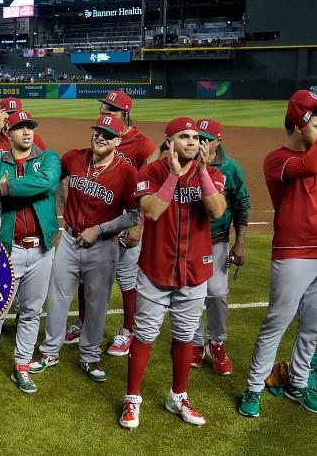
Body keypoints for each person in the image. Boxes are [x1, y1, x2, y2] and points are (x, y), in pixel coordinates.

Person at [119, 117, 226, 430]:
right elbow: (151, 211)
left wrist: (202, 171)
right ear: (169, 142)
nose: (193, 142)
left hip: (194, 271)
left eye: (195, 137)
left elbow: (217, 210)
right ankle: (132, 398)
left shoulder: (213, 173)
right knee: (145, 335)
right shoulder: (152, 171)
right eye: (184, 137)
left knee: (184, 336)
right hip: (157, 269)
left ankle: (178, 395)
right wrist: (174, 178)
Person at [29, 115, 140, 383]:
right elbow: (53, 183)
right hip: (68, 239)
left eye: (108, 135)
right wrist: (56, 220)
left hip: (102, 247)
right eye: (98, 132)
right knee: (57, 298)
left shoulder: (126, 173)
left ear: (117, 141)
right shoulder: (74, 158)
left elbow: (134, 215)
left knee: (97, 303)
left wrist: (100, 229)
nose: (100, 137)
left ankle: (89, 355)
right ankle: (49, 351)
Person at [0, 111, 60, 395]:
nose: (27, 132)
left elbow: (46, 183)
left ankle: (22, 366)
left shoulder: (48, 158)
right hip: (6, 250)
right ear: (9, 133)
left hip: (41, 250)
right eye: (19, 127)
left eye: (30, 126)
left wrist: (2, 189)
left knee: (30, 312)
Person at [239, 90, 317, 417]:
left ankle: (299, 381)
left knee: (313, 324)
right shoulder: (277, 159)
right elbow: (308, 165)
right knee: (277, 322)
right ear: (300, 124)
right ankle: (253, 388)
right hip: (293, 251)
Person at [67, 90, 156, 355]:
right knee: (86, 277)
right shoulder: (102, 136)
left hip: (126, 221)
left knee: (127, 278)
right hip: (97, 223)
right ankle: (82, 323)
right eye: (103, 109)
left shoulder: (143, 145)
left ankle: (128, 330)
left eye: (111, 110)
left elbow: (148, 187)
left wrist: (137, 224)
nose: (104, 114)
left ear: (125, 114)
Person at [191, 118, 249, 375]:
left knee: (216, 293)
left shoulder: (230, 168)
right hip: (189, 239)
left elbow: (241, 204)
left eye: (206, 139)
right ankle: (194, 344)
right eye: (197, 137)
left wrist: (240, 243)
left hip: (217, 239)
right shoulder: (184, 161)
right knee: (190, 295)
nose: (201, 143)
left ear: (218, 141)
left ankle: (216, 343)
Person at [0, 97, 48, 166]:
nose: (11, 117)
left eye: (15, 114)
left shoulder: (32, 138)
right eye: (8, 113)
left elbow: (46, 162)